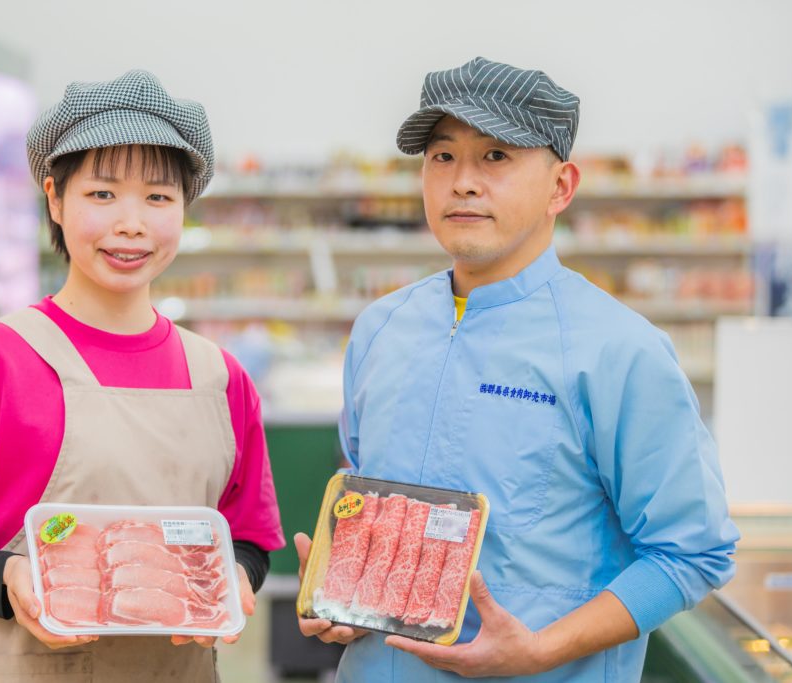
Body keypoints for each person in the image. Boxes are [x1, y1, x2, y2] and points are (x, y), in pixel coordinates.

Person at [295, 56, 738, 682]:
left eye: (497, 156)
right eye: (442, 157)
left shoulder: (617, 350)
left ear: (561, 186)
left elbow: (692, 552)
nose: (463, 182)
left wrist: (543, 650)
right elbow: (369, 485)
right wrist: (346, 588)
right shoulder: (382, 328)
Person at [0, 70, 284, 682]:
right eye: (103, 194)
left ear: (185, 210)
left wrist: (232, 579)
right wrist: (7, 576)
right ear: (55, 199)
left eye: (159, 198)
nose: (132, 223)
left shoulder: (220, 378)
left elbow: (249, 537)